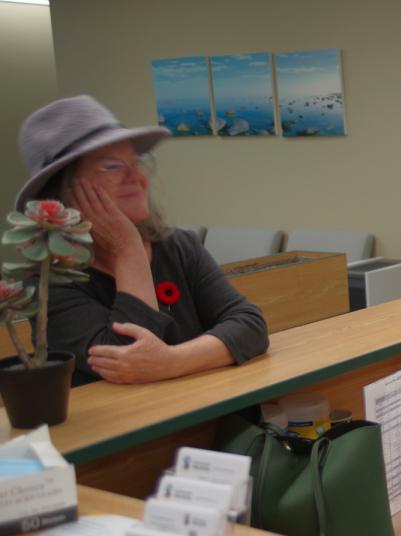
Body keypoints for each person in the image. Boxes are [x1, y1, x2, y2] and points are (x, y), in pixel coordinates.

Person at [15, 95, 269, 386]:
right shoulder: (49, 284)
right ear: (64, 192)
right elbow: (128, 359)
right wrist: (128, 251)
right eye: (111, 166)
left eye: (136, 162)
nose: (136, 176)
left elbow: (250, 325)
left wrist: (171, 362)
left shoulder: (178, 247)